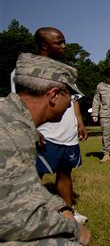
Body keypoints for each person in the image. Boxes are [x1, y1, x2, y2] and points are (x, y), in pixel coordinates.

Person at [1, 53, 90, 246]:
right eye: (69, 95)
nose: (70, 104)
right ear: (53, 95)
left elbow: (25, 186)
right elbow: (15, 220)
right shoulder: (12, 135)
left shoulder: (13, 119)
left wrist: (61, 208)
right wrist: (73, 229)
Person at [10, 27, 89, 223]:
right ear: (44, 45)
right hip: (46, 134)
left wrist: (79, 122)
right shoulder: (23, 72)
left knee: (65, 173)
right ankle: (27, 213)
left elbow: (73, 99)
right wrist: (33, 130)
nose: (64, 46)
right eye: (59, 42)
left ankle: (68, 210)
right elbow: (20, 103)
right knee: (33, 175)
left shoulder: (63, 71)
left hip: (67, 134)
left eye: (64, 41)